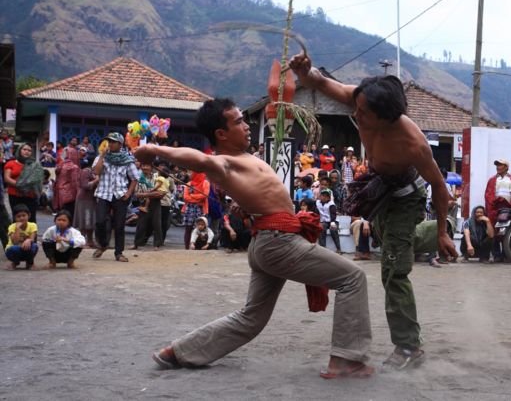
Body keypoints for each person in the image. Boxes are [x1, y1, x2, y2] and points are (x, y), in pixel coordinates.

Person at [134, 98, 372, 378]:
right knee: (352, 278)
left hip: (269, 241)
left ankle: (177, 351)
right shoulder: (222, 162)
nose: (247, 127)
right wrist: (153, 148)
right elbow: (198, 158)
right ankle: (346, 360)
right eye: (238, 122)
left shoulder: (243, 160)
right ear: (221, 134)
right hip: (278, 243)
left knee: (252, 318)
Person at [290, 53, 457, 370]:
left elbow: (439, 185)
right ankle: (420, 237)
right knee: (388, 242)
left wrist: (443, 232)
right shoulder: (361, 98)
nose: (356, 113)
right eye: (357, 106)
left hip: (406, 199)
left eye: (364, 113)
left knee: (393, 271)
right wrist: (304, 70)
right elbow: (321, 82)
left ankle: (409, 347)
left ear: (386, 117)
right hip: (377, 188)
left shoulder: (414, 144)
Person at [92, 132, 139, 263]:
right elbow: (96, 172)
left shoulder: (127, 159)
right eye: (109, 141)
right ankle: (103, 244)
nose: (110, 144)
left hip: (120, 195)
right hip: (103, 193)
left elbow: (135, 178)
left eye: (113, 142)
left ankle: (119, 253)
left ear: (120, 144)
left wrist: (128, 193)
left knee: (119, 226)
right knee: (100, 222)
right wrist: (102, 155)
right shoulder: (102, 156)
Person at [484, 159, 511, 261]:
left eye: (500, 165)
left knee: (506, 230)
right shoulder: (492, 179)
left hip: (506, 209)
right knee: (494, 231)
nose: (498, 167)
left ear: (506, 167)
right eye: (497, 165)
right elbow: (488, 195)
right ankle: (497, 255)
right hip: (494, 209)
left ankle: (506, 254)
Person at [4, 143, 43, 223]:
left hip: (30, 196)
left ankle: (31, 235)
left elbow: (38, 180)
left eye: (29, 150)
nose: (27, 152)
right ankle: (16, 235)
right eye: (24, 149)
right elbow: (7, 178)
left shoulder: (34, 165)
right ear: (19, 150)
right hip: (15, 195)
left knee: (31, 219)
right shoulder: (11, 163)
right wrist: (21, 185)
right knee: (17, 218)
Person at [131, 163, 165, 251]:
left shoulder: (157, 177)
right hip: (143, 203)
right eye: (143, 165)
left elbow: (161, 193)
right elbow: (137, 194)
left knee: (156, 224)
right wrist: (151, 194)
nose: (145, 167)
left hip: (156, 203)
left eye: (147, 165)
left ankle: (157, 245)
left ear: (151, 167)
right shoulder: (138, 178)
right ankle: (136, 244)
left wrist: (146, 194)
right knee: (141, 224)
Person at [73, 157, 98, 248]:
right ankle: (82, 240)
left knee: (90, 221)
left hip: (91, 199)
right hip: (84, 200)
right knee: (85, 220)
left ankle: (90, 240)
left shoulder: (95, 172)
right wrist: (96, 180)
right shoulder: (86, 171)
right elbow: (85, 185)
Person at [182, 170, 210, 249]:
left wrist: (192, 196)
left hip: (200, 208)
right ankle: (186, 247)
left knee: (200, 229)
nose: (189, 174)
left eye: (191, 172)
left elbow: (205, 195)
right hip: (189, 208)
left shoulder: (205, 183)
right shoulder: (189, 184)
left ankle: (198, 247)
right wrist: (198, 197)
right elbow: (185, 197)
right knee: (188, 229)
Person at [5, 204, 38, 270]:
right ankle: (15, 262)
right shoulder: (12, 227)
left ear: (28, 216)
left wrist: (28, 240)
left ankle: (29, 262)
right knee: (13, 249)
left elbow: (32, 239)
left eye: (24, 215)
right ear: (15, 218)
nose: (21, 218)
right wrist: (17, 229)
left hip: (26, 249)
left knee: (34, 246)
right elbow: (15, 242)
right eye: (18, 216)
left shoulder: (33, 225)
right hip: (14, 250)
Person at [53, 147, 80, 221]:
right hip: (69, 195)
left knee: (61, 216)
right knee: (69, 217)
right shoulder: (74, 167)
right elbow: (75, 183)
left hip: (59, 193)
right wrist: (78, 194)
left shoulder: (60, 165)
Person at [316, 188, 342, 254]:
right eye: (323, 195)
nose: (324, 197)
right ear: (320, 196)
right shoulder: (317, 203)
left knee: (333, 229)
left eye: (326, 196)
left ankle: (338, 248)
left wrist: (332, 222)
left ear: (329, 197)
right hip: (323, 221)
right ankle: (323, 248)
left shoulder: (331, 204)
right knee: (321, 228)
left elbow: (333, 214)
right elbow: (316, 212)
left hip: (333, 220)